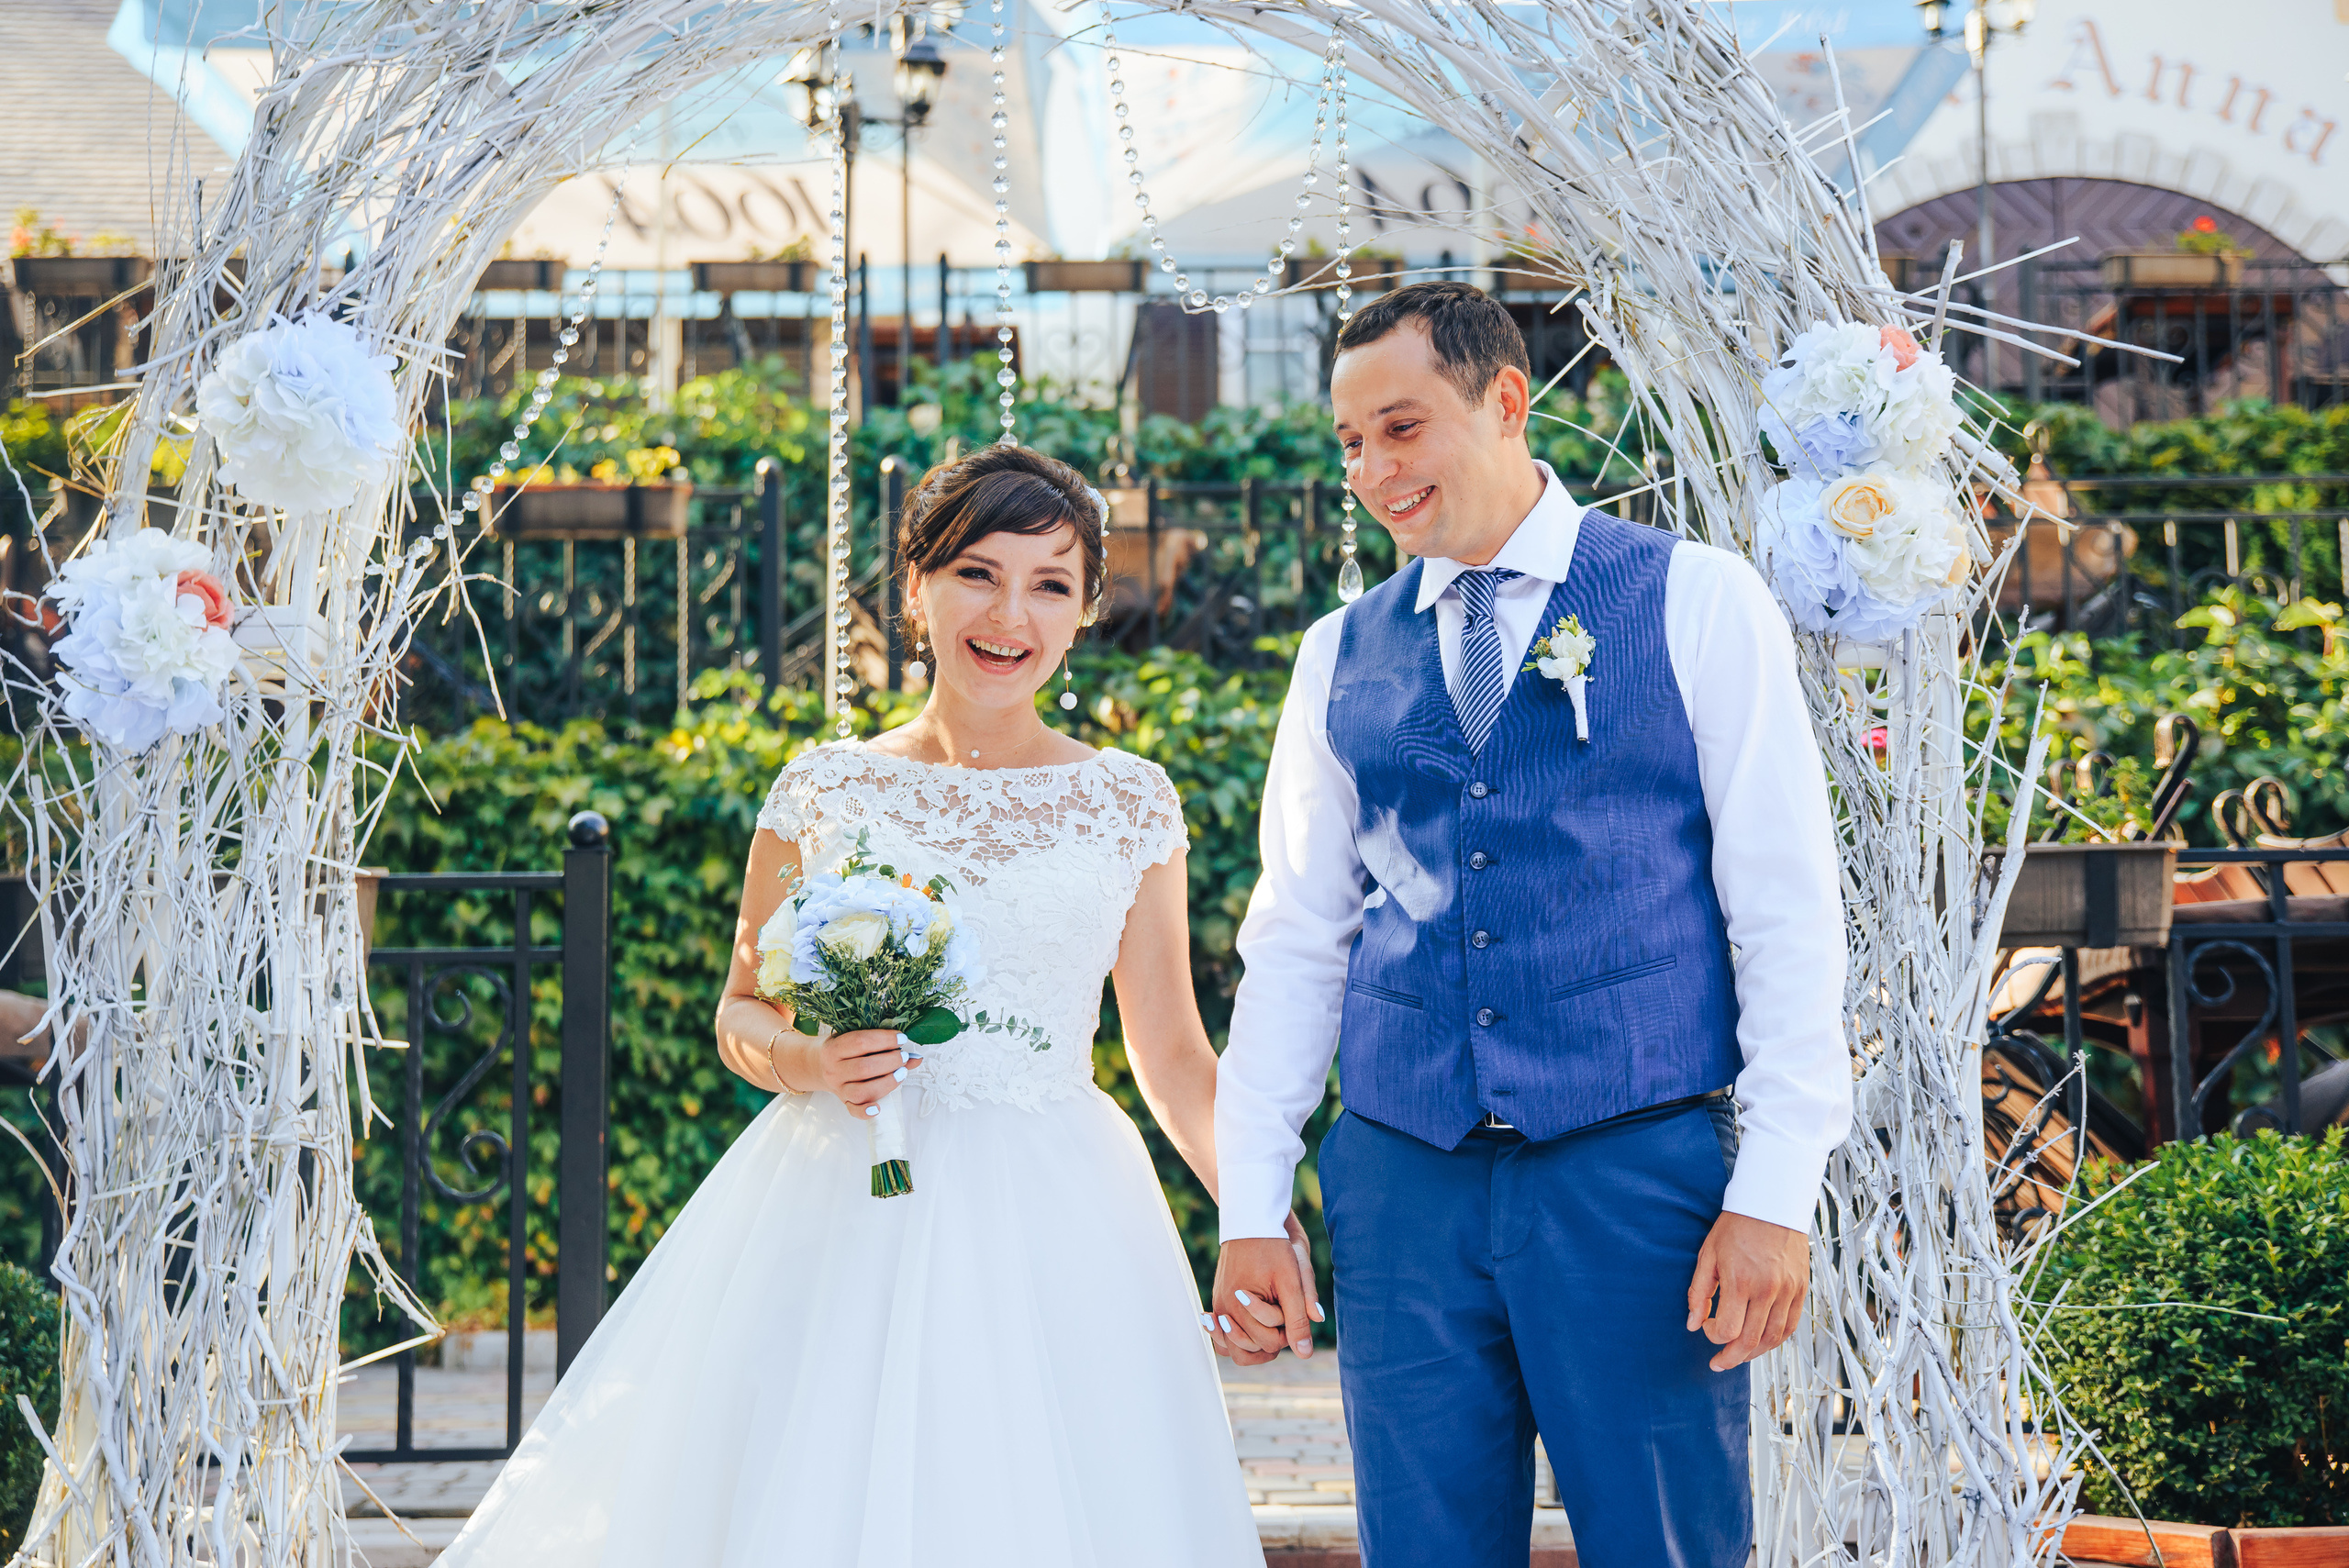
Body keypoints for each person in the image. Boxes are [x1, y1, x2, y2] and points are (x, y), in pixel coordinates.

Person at [436, 444, 1291, 1567]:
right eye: (976, 573)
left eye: (1050, 583)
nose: (1009, 613)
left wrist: (1256, 1218)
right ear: (914, 585)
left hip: (1061, 1214)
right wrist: (810, 1061)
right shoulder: (827, 786)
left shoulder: (1125, 799)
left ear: (1084, 612)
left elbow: (1172, 1052)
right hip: (846, 1195)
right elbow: (741, 1012)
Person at [1208, 282, 1851, 1568]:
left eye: (1400, 428)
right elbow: (1292, 938)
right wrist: (1251, 1201)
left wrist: (1778, 1188)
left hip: (1635, 1168)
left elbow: (1785, 913)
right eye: (1349, 444)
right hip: (1403, 1175)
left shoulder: (1696, 599)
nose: (1372, 472)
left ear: (1505, 399)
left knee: (1665, 1547)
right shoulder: (1338, 653)